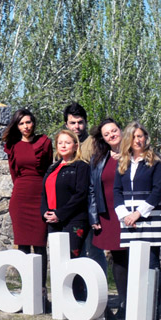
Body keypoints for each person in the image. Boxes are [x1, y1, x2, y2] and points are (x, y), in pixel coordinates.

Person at [113, 122, 161, 320]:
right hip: (128, 220)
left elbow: (158, 190)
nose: (138, 140)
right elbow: (116, 191)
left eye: (141, 136)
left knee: (151, 264)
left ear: (146, 138)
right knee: (134, 265)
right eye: (134, 136)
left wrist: (138, 213)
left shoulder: (156, 162)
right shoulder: (123, 162)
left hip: (148, 217)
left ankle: (153, 311)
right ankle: (137, 310)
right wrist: (124, 215)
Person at [41, 129, 91, 301]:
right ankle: (62, 300)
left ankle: (78, 298)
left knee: (72, 259)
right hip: (53, 220)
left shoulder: (81, 167)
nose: (63, 145)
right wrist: (45, 212)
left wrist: (60, 214)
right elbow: (44, 193)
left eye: (67, 142)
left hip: (74, 220)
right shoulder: (53, 167)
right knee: (57, 261)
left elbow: (80, 195)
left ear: (75, 146)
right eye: (60, 142)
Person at [88, 118, 126, 320]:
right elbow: (92, 189)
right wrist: (94, 215)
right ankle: (124, 303)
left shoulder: (133, 153)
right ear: (103, 138)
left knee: (134, 258)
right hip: (108, 214)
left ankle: (141, 303)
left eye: (114, 130)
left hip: (129, 213)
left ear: (121, 130)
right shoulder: (99, 159)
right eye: (107, 134)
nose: (112, 135)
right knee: (118, 259)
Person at [3, 108, 52, 258]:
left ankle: (41, 275)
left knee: (40, 245)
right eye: (21, 123)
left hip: (40, 197)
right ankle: (25, 274)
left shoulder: (44, 142)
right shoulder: (13, 146)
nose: (26, 126)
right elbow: (14, 173)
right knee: (22, 246)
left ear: (33, 123)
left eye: (28, 122)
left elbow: (48, 171)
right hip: (20, 199)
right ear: (17, 126)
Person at [65, 102, 104, 272]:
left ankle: (100, 283)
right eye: (72, 123)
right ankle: (77, 284)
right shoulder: (62, 143)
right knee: (74, 249)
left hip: (90, 203)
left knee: (94, 248)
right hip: (70, 204)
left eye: (80, 122)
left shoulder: (94, 143)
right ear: (66, 124)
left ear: (86, 122)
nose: (77, 126)